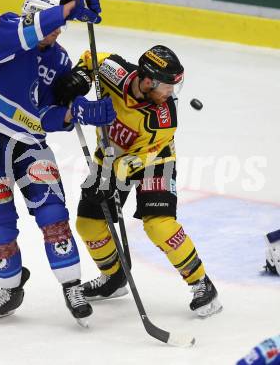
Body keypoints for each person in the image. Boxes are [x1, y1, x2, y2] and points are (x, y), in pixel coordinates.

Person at [0, 0, 116, 326]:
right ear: (33, 15)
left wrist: (79, 111)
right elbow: (30, 31)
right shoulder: (9, 28)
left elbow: (45, 112)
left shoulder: (59, 59)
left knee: (52, 214)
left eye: (62, 25)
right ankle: (11, 289)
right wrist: (68, 9)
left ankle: (71, 286)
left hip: (28, 142)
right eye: (56, 24)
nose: (59, 32)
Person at [54, 45, 222, 317]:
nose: (171, 94)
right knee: (88, 224)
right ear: (147, 81)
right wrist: (81, 78)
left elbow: (144, 157)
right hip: (109, 159)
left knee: (159, 225)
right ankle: (114, 277)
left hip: (155, 163)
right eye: (167, 86)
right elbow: (90, 59)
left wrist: (110, 177)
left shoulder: (163, 118)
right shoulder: (115, 71)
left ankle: (201, 283)